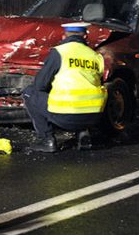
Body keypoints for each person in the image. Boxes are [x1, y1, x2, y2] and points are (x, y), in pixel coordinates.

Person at [23, 23, 107, 152]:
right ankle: (84, 135)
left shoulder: (60, 52)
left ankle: (47, 140)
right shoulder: (96, 56)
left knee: (29, 92)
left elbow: (40, 85)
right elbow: (96, 83)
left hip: (65, 116)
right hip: (93, 117)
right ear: (85, 36)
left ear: (64, 36)